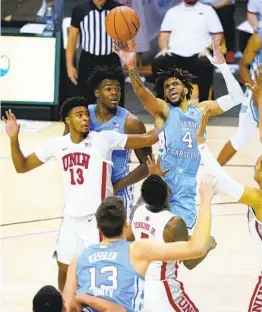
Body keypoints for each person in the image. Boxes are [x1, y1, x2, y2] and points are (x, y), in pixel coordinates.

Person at [2, 97, 158, 291]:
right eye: (79, 115)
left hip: (98, 221)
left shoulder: (104, 139)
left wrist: (169, 120)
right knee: (64, 270)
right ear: (68, 120)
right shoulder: (56, 144)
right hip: (70, 220)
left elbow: (147, 139)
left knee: (100, 276)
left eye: (86, 114)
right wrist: (14, 138)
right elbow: (21, 166)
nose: (86, 118)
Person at [115, 38, 244, 233]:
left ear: (186, 88)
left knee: (181, 246)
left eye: (175, 84)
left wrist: (223, 66)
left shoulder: (201, 110)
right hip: (161, 182)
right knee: (139, 237)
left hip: (186, 189)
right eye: (166, 87)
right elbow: (141, 92)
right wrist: (131, 65)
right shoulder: (163, 111)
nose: (171, 88)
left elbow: (237, 97)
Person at [63, 179, 215, 312]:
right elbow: (197, 248)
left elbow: (67, 305)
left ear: (98, 227)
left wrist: (84, 298)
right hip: (160, 289)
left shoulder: (79, 258)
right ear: (126, 225)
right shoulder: (137, 250)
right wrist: (205, 199)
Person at [195, 89, 262, 312]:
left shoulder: (257, 199)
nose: (256, 162)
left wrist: (201, 145)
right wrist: (260, 100)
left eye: (260, 163)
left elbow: (220, 180)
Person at [130, 165, 217, 312]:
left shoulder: (136, 211)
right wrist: (208, 245)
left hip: (137, 285)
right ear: (169, 192)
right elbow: (190, 261)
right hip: (162, 288)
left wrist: (154, 176)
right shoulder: (174, 224)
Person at [86, 65, 152, 219]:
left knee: (117, 240)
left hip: (118, 191)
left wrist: (116, 186)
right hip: (88, 188)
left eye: (117, 89)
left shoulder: (131, 123)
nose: (114, 92)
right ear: (97, 92)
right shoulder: (83, 115)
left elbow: (147, 164)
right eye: (108, 89)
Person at [152, 0, 224, 102]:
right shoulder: (172, 12)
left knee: (205, 63)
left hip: (199, 53)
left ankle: (203, 104)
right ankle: (161, 104)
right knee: (158, 62)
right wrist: (164, 48)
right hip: (175, 53)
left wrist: (208, 48)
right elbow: (163, 36)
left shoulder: (208, 10)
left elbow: (218, 36)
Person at [66, 0, 124, 106]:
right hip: (88, 61)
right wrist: (69, 66)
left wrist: (131, 64)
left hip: (111, 60)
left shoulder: (118, 9)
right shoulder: (80, 9)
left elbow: (128, 38)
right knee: (86, 101)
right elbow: (72, 38)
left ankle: (116, 122)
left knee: (115, 100)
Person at [217, 30, 262, 166]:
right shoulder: (258, 39)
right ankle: (212, 173)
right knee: (241, 137)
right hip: (256, 91)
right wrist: (254, 90)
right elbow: (243, 66)